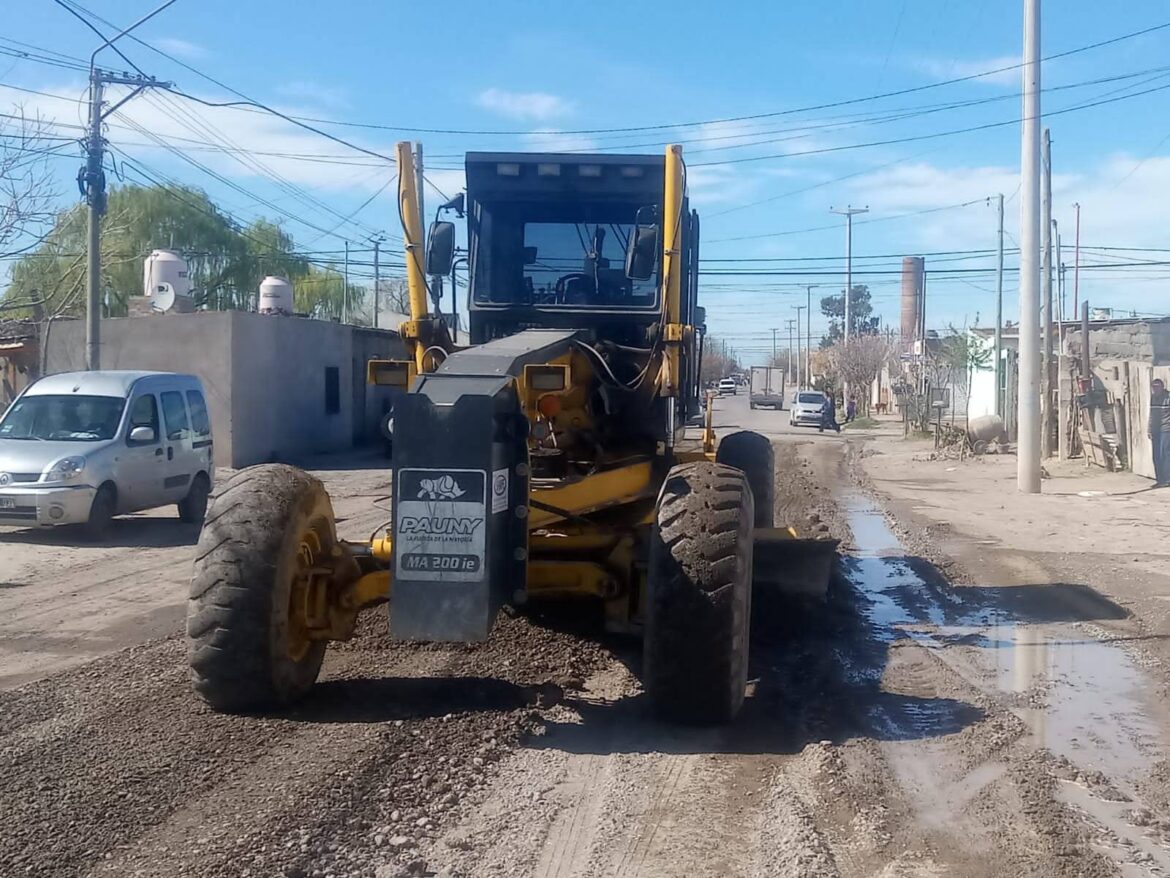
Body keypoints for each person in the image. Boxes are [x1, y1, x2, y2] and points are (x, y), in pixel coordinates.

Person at [1150, 378, 1170, 486]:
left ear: (1162, 387)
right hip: (1155, 430)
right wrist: (1149, 428)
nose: (1156, 389)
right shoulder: (1153, 398)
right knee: (1156, 455)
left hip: (1166, 430)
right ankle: (1159, 480)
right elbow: (1151, 415)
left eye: (1158, 387)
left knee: (1165, 454)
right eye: (1154, 387)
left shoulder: (1168, 397)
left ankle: (1168, 479)